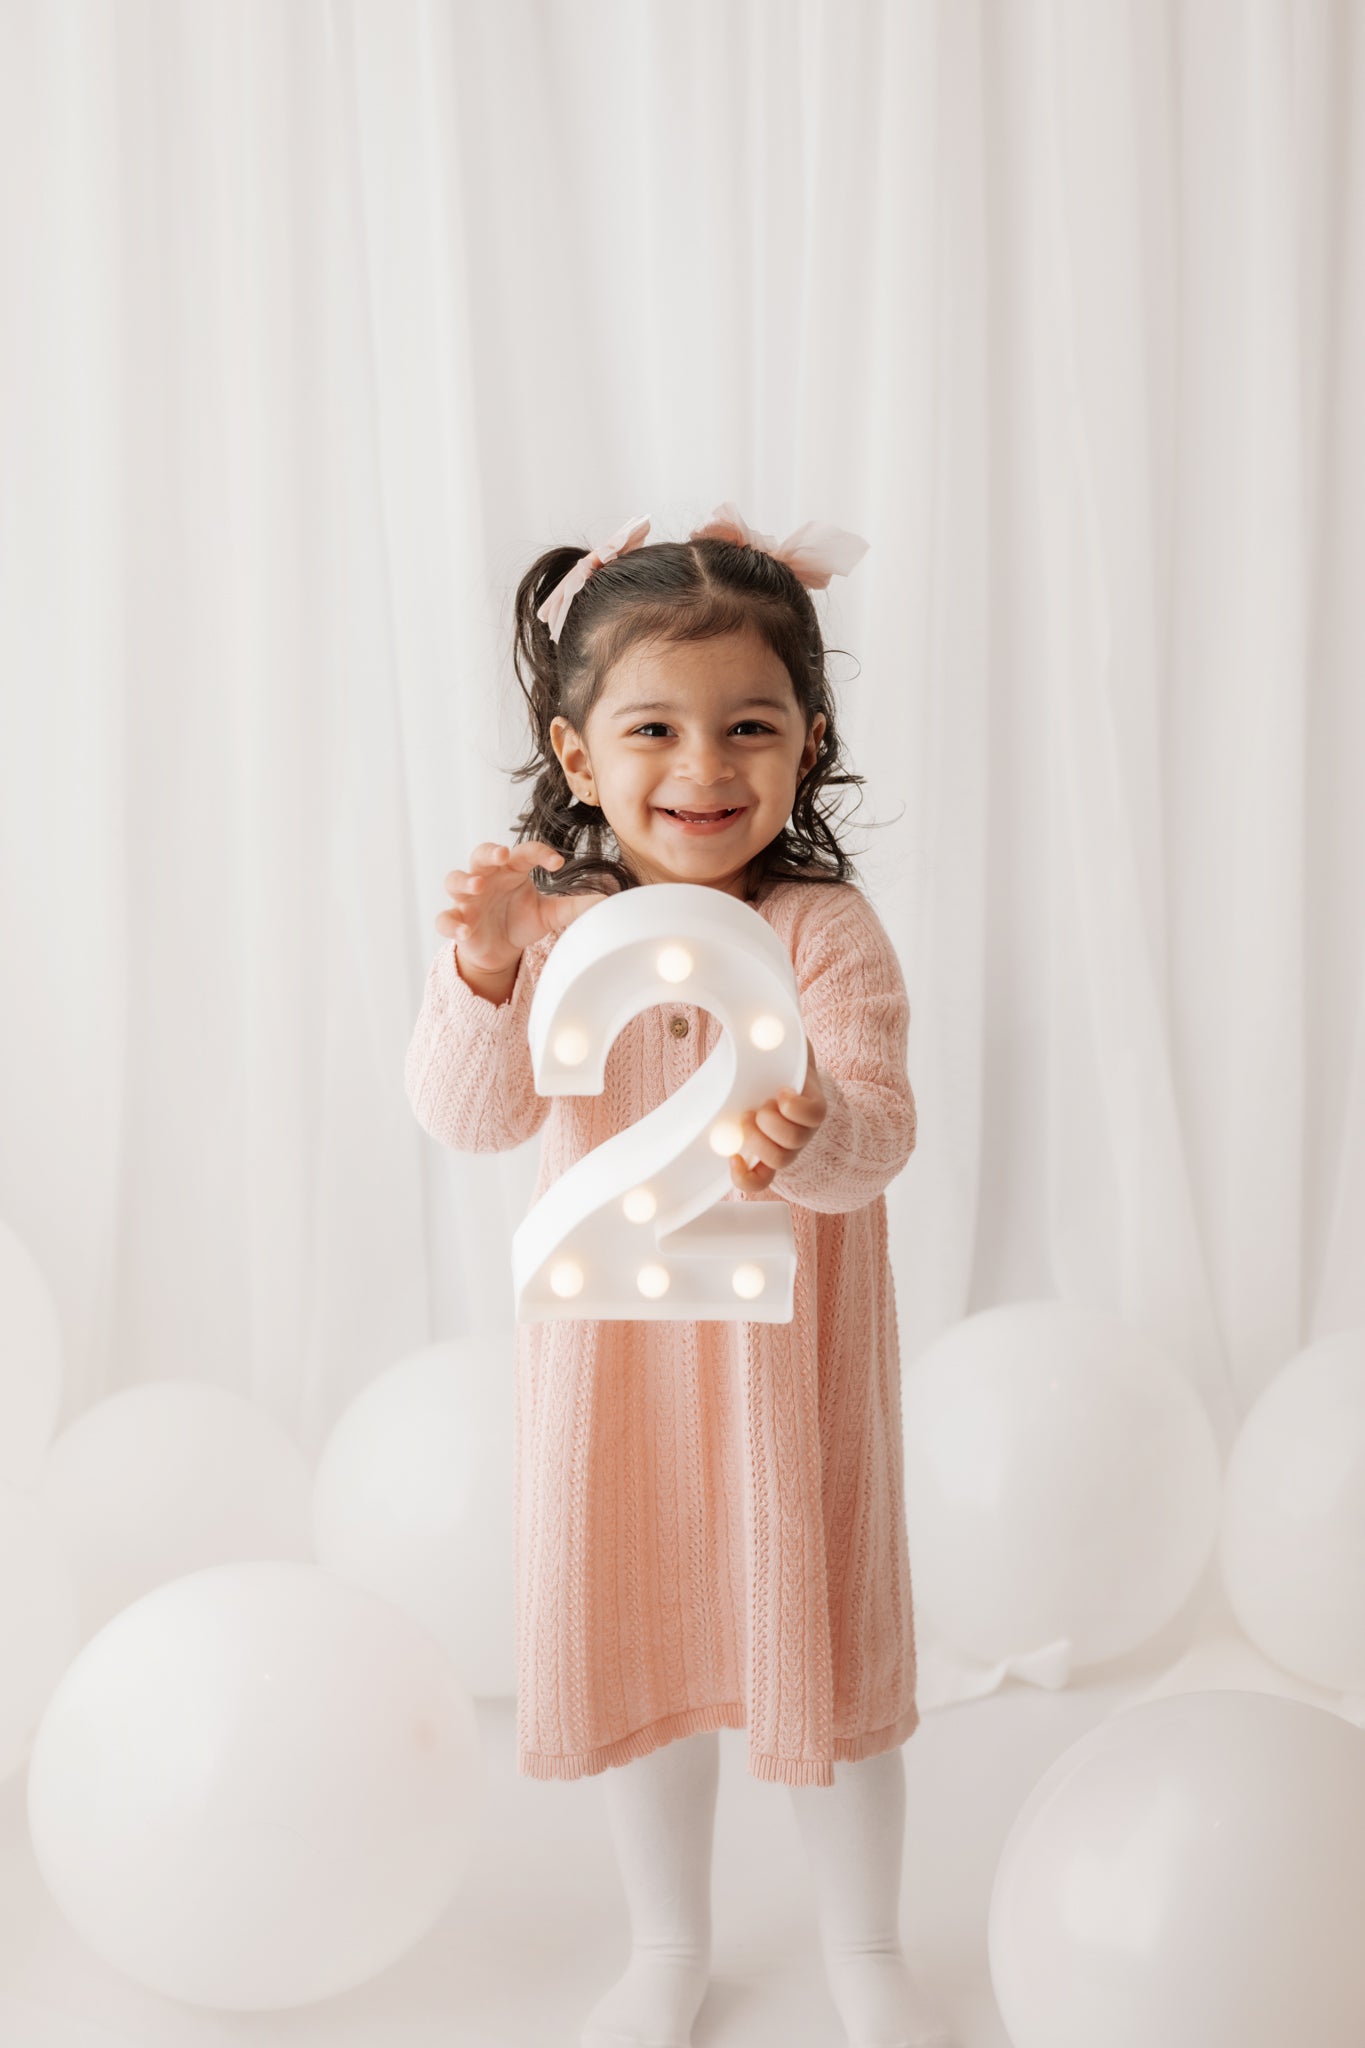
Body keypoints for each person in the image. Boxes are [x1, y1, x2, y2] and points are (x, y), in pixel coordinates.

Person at [404, 505, 955, 2048]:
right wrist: (483, 973)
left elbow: (880, 1136)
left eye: (748, 727)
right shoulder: (554, 923)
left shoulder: (821, 930)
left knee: (823, 1657)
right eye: (653, 728)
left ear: (807, 743)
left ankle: (865, 1951)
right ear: (579, 757)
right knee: (645, 1637)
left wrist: (814, 1127)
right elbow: (471, 1114)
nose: (702, 769)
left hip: (788, 1381)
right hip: (619, 1381)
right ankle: (665, 1947)